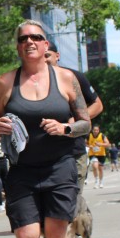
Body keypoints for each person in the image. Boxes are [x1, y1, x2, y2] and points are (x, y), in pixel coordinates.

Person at [0, 20, 91, 238]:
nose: (29, 42)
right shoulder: (5, 82)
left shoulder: (66, 79)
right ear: (18, 46)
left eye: (36, 37)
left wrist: (65, 128)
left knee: (57, 234)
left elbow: (85, 122)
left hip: (60, 167)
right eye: (23, 39)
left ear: (46, 45)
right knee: (26, 235)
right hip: (22, 169)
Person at [44, 42, 102, 192]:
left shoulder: (73, 77)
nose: (44, 60)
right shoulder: (28, 81)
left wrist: (74, 122)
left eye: (47, 55)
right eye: (40, 56)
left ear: (57, 56)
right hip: (42, 155)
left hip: (73, 151)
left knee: (72, 200)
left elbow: (98, 105)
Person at [86, 125, 110, 189]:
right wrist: (89, 146)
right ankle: (96, 181)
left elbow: (108, 144)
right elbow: (84, 143)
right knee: (95, 166)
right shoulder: (89, 136)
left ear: (99, 130)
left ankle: (101, 182)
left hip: (101, 154)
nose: (95, 131)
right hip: (92, 154)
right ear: (92, 130)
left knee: (100, 169)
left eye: (97, 130)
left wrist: (100, 144)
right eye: (94, 130)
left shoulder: (102, 135)